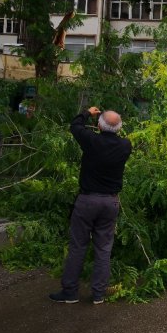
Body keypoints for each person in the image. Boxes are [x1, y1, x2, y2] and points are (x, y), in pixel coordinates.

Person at [49, 107, 132, 304]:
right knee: (104, 248)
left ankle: (69, 292)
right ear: (119, 128)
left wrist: (87, 112)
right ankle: (98, 294)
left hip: (87, 201)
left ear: (98, 125)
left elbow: (75, 126)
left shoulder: (91, 140)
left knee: (78, 246)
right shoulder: (125, 146)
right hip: (110, 202)